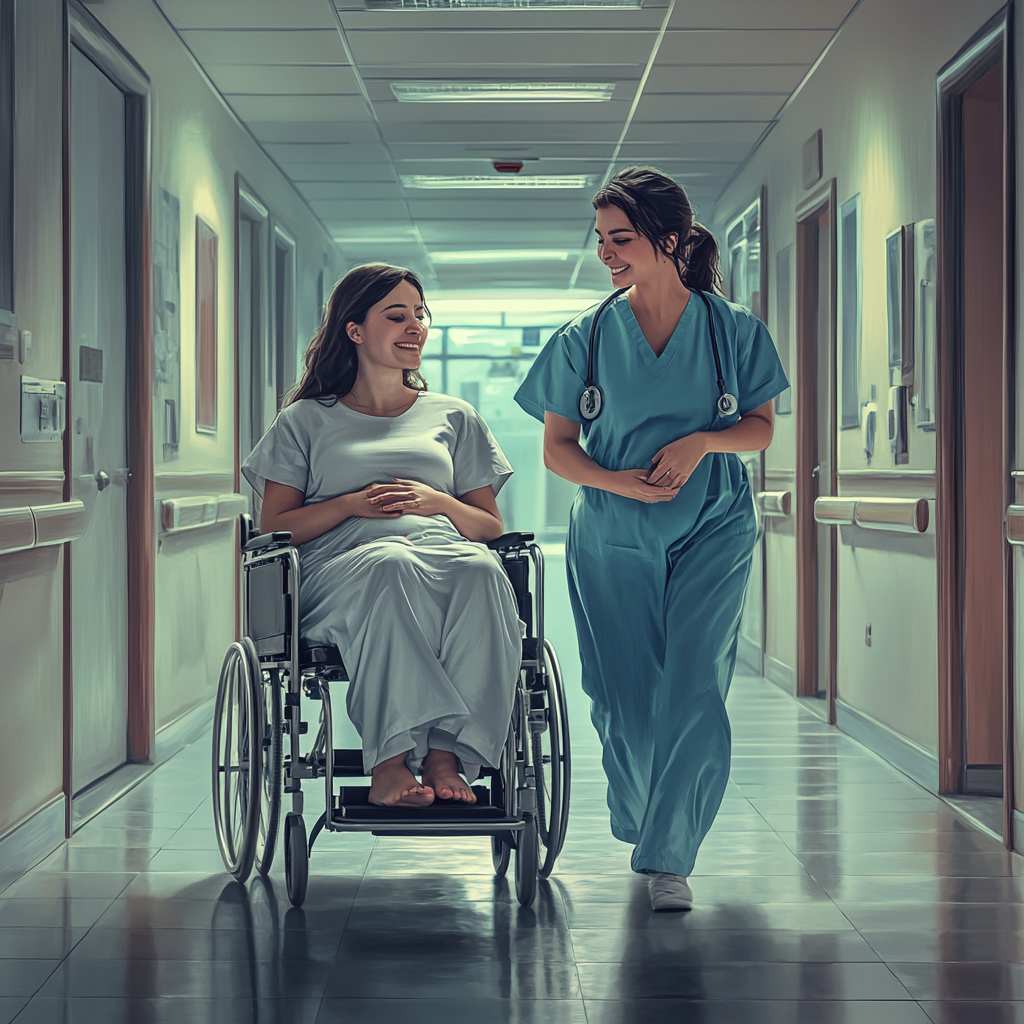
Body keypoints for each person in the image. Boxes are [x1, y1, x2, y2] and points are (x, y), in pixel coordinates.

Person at [514, 167, 788, 910]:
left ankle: (669, 856)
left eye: (621, 238)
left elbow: (760, 428)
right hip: (612, 528)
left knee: (696, 685)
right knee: (621, 698)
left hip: (714, 523)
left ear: (667, 239)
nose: (606, 252)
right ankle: (645, 816)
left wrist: (702, 443)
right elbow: (557, 450)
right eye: (600, 239)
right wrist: (622, 484)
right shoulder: (587, 337)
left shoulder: (734, 331)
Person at [243, 263, 522, 808]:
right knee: (390, 562)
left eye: (420, 315)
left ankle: (446, 754)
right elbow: (274, 527)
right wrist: (351, 504)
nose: (415, 326)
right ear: (355, 330)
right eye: (397, 316)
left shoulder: (455, 416)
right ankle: (390, 760)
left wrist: (437, 502)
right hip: (342, 570)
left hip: (441, 553)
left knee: (482, 569)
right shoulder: (305, 420)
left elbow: (489, 528)